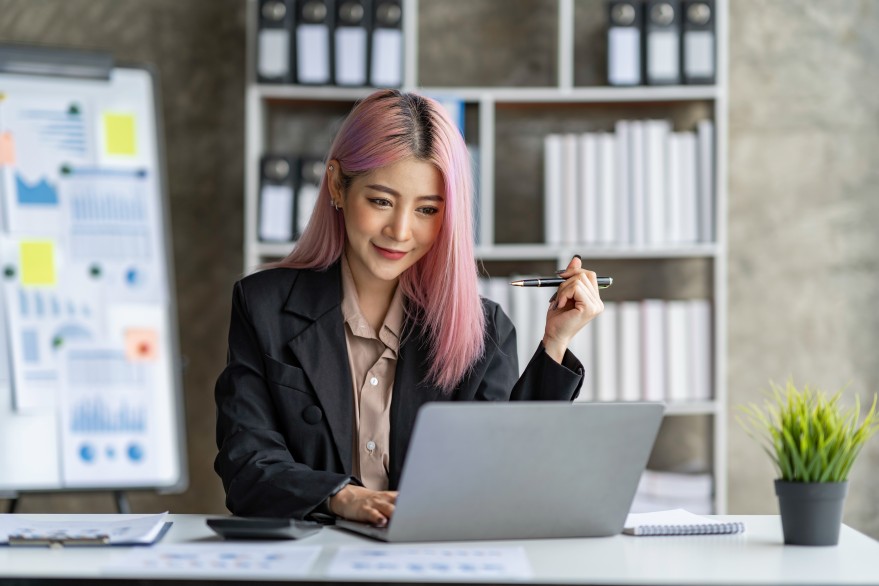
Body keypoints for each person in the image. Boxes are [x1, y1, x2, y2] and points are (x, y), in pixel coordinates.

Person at [214, 89, 605, 526]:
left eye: (426, 210)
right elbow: (246, 464)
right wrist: (342, 497)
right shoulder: (263, 304)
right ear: (337, 186)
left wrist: (555, 342)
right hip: (314, 558)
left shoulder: (484, 328)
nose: (400, 231)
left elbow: (509, 476)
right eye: (381, 201)